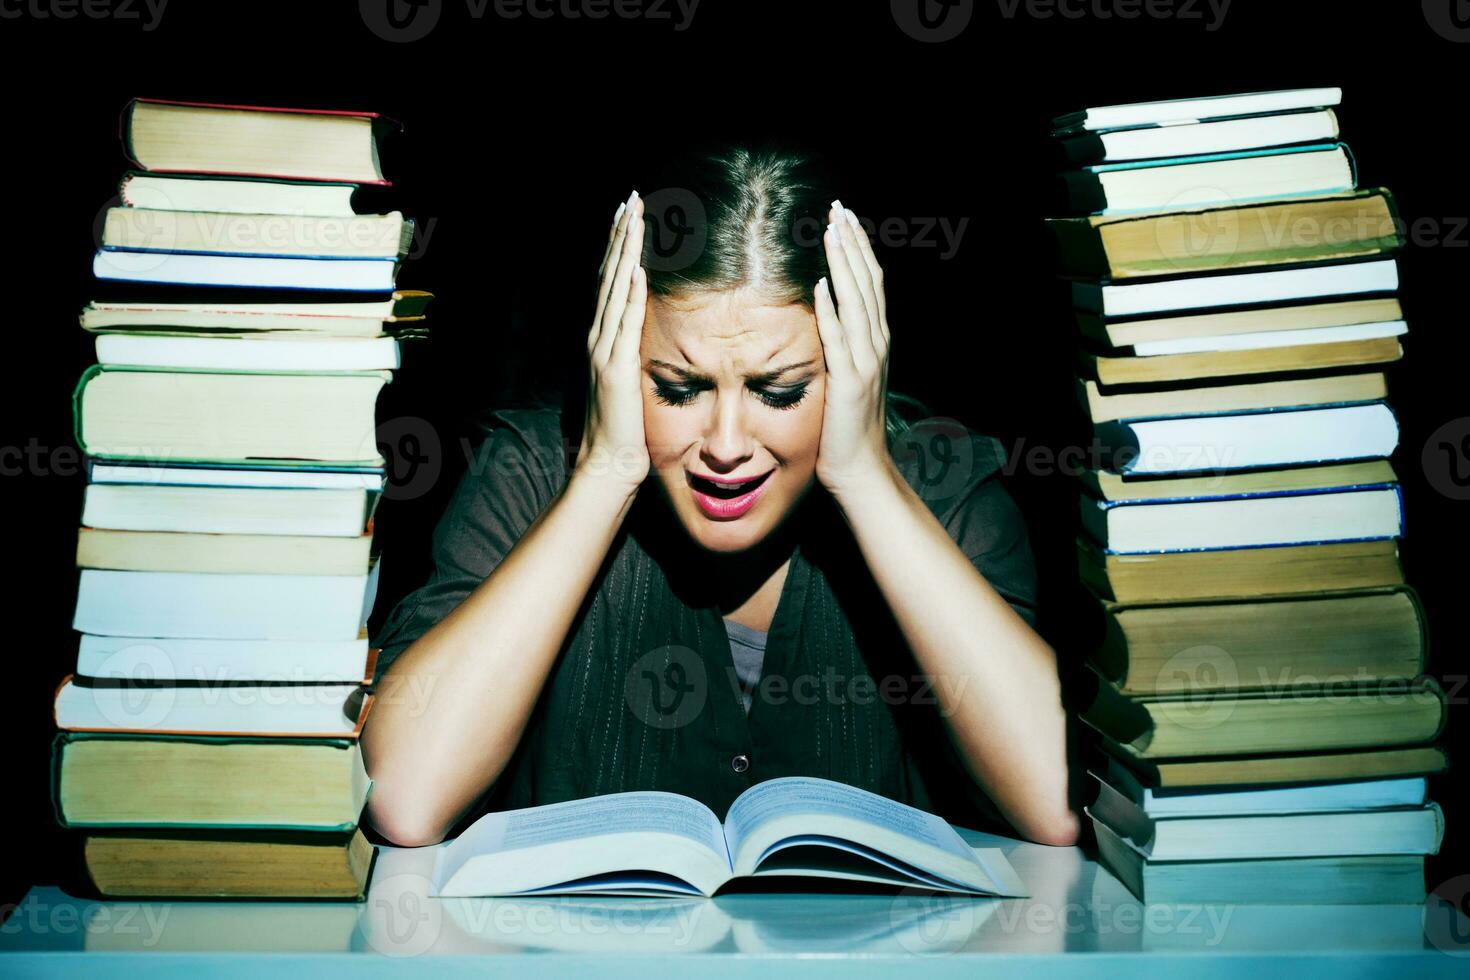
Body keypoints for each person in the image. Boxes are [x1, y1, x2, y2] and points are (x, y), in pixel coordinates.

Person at [361, 144, 1078, 849]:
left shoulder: (942, 491)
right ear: (614, 360)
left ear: (857, 364)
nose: (726, 444)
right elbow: (406, 799)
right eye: (677, 388)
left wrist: (866, 477)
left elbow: (1055, 803)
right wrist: (605, 473)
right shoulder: (527, 477)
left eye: (780, 391)